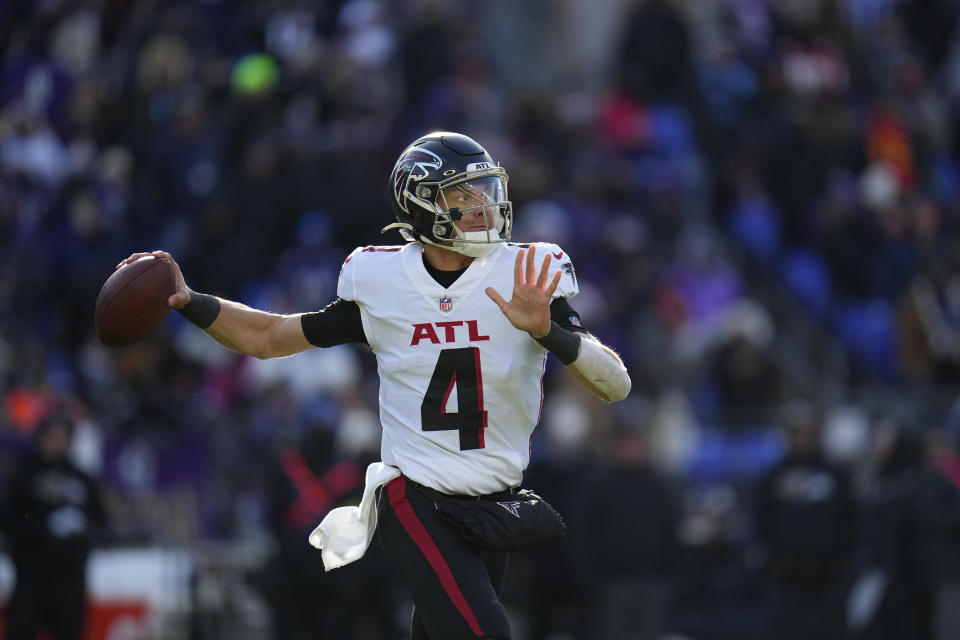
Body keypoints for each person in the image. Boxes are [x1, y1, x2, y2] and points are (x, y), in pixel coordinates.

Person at [119, 131, 631, 639]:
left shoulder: (529, 275)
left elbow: (616, 385)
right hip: (417, 497)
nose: (482, 207)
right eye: (462, 195)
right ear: (423, 207)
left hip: (495, 502)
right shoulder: (384, 281)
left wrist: (547, 331)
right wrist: (189, 301)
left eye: (485, 190)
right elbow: (270, 337)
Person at [1, 415, 107, 640]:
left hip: (69, 578)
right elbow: (9, 522)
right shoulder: (23, 476)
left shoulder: (83, 478)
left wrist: (81, 529)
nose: (57, 443)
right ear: (40, 439)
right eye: (51, 437)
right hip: (31, 577)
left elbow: (101, 521)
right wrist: (44, 526)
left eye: (63, 437)